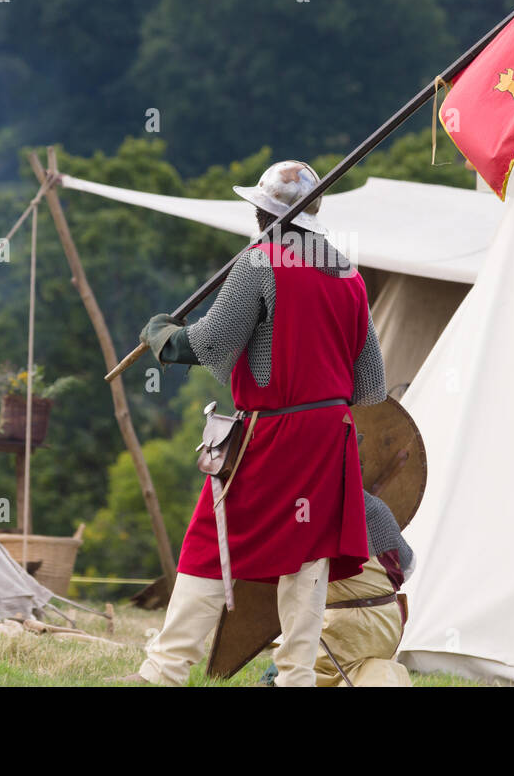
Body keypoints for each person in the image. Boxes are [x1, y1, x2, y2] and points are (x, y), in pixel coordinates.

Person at [131, 160, 387, 687]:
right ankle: (296, 679)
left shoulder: (258, 263)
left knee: (209, 540)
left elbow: (208, 342)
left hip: (273, 434)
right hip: (329, 437)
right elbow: (370, 387)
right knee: (307, 557)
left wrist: (162, 337)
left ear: (264, 213)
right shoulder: (349, 275)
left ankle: (163, 672)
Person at [312, 491, 415, 687]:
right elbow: (408, 568)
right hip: (387, 625)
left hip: (339, 631)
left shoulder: (311, 509)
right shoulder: (377, 508)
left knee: (306, 664)